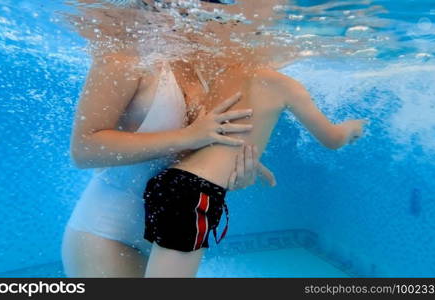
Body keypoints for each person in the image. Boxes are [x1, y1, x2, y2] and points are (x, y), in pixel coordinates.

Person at [140, 5, 368, 277]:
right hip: (196, 193)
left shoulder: (222, 73)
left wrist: (250, 160)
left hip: (170, 182)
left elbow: (223, 135)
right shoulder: (285, 85)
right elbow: (332, 139)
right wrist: (351, 129)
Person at [61, 0, 275, 278]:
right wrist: (188, 136)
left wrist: (233, 166)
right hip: (107, 231)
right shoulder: (124, 57)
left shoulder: (205, 65)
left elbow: (199, 149)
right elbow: (84, 149)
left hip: (169, 232)